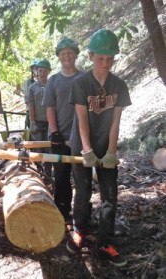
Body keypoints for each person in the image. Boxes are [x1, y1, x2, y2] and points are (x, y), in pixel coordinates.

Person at [67, 29, 132, 267]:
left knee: (110, 195)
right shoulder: (81, 83)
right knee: (83, 192)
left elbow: (116, 121)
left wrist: (111, 152)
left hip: (106, 146)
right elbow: (82, 118)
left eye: (109, 58)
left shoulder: (119, 85)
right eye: (100, 58)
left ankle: (105, 242)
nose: (105, 63)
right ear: (92, 56)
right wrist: (86, 150)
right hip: (81, 145)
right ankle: (80, 230)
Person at [42, 38, 82, 225]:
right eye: (63, 54)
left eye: (70, 53)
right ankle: (62, 213)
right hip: (59, 137)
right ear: (59, 57)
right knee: (61, 177)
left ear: (75, 55)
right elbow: (49, 106)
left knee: (82, 177)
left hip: (81, 137)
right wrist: (55, 132)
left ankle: (82, 215)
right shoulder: (53, 81)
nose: (67, 57)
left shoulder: (84, 78)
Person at [27, 58, 52, 180]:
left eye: (45, 71)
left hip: (49, 122)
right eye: (40, 71)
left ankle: (48, 174)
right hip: (37, 121)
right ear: (37, 72)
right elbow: (31, 105)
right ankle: (37, 172)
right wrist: (32, 122)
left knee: (48, 148)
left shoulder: (52, 85)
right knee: (37, 148)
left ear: (48, 72)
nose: (42, 73)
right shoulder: (32, 87)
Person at [23, 58, 39, 130]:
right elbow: (27, 100)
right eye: (35, 68)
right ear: (32, 70)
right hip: (31, 113)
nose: (37, 70)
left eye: (38, 68)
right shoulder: (28, 82)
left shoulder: (47, 82)